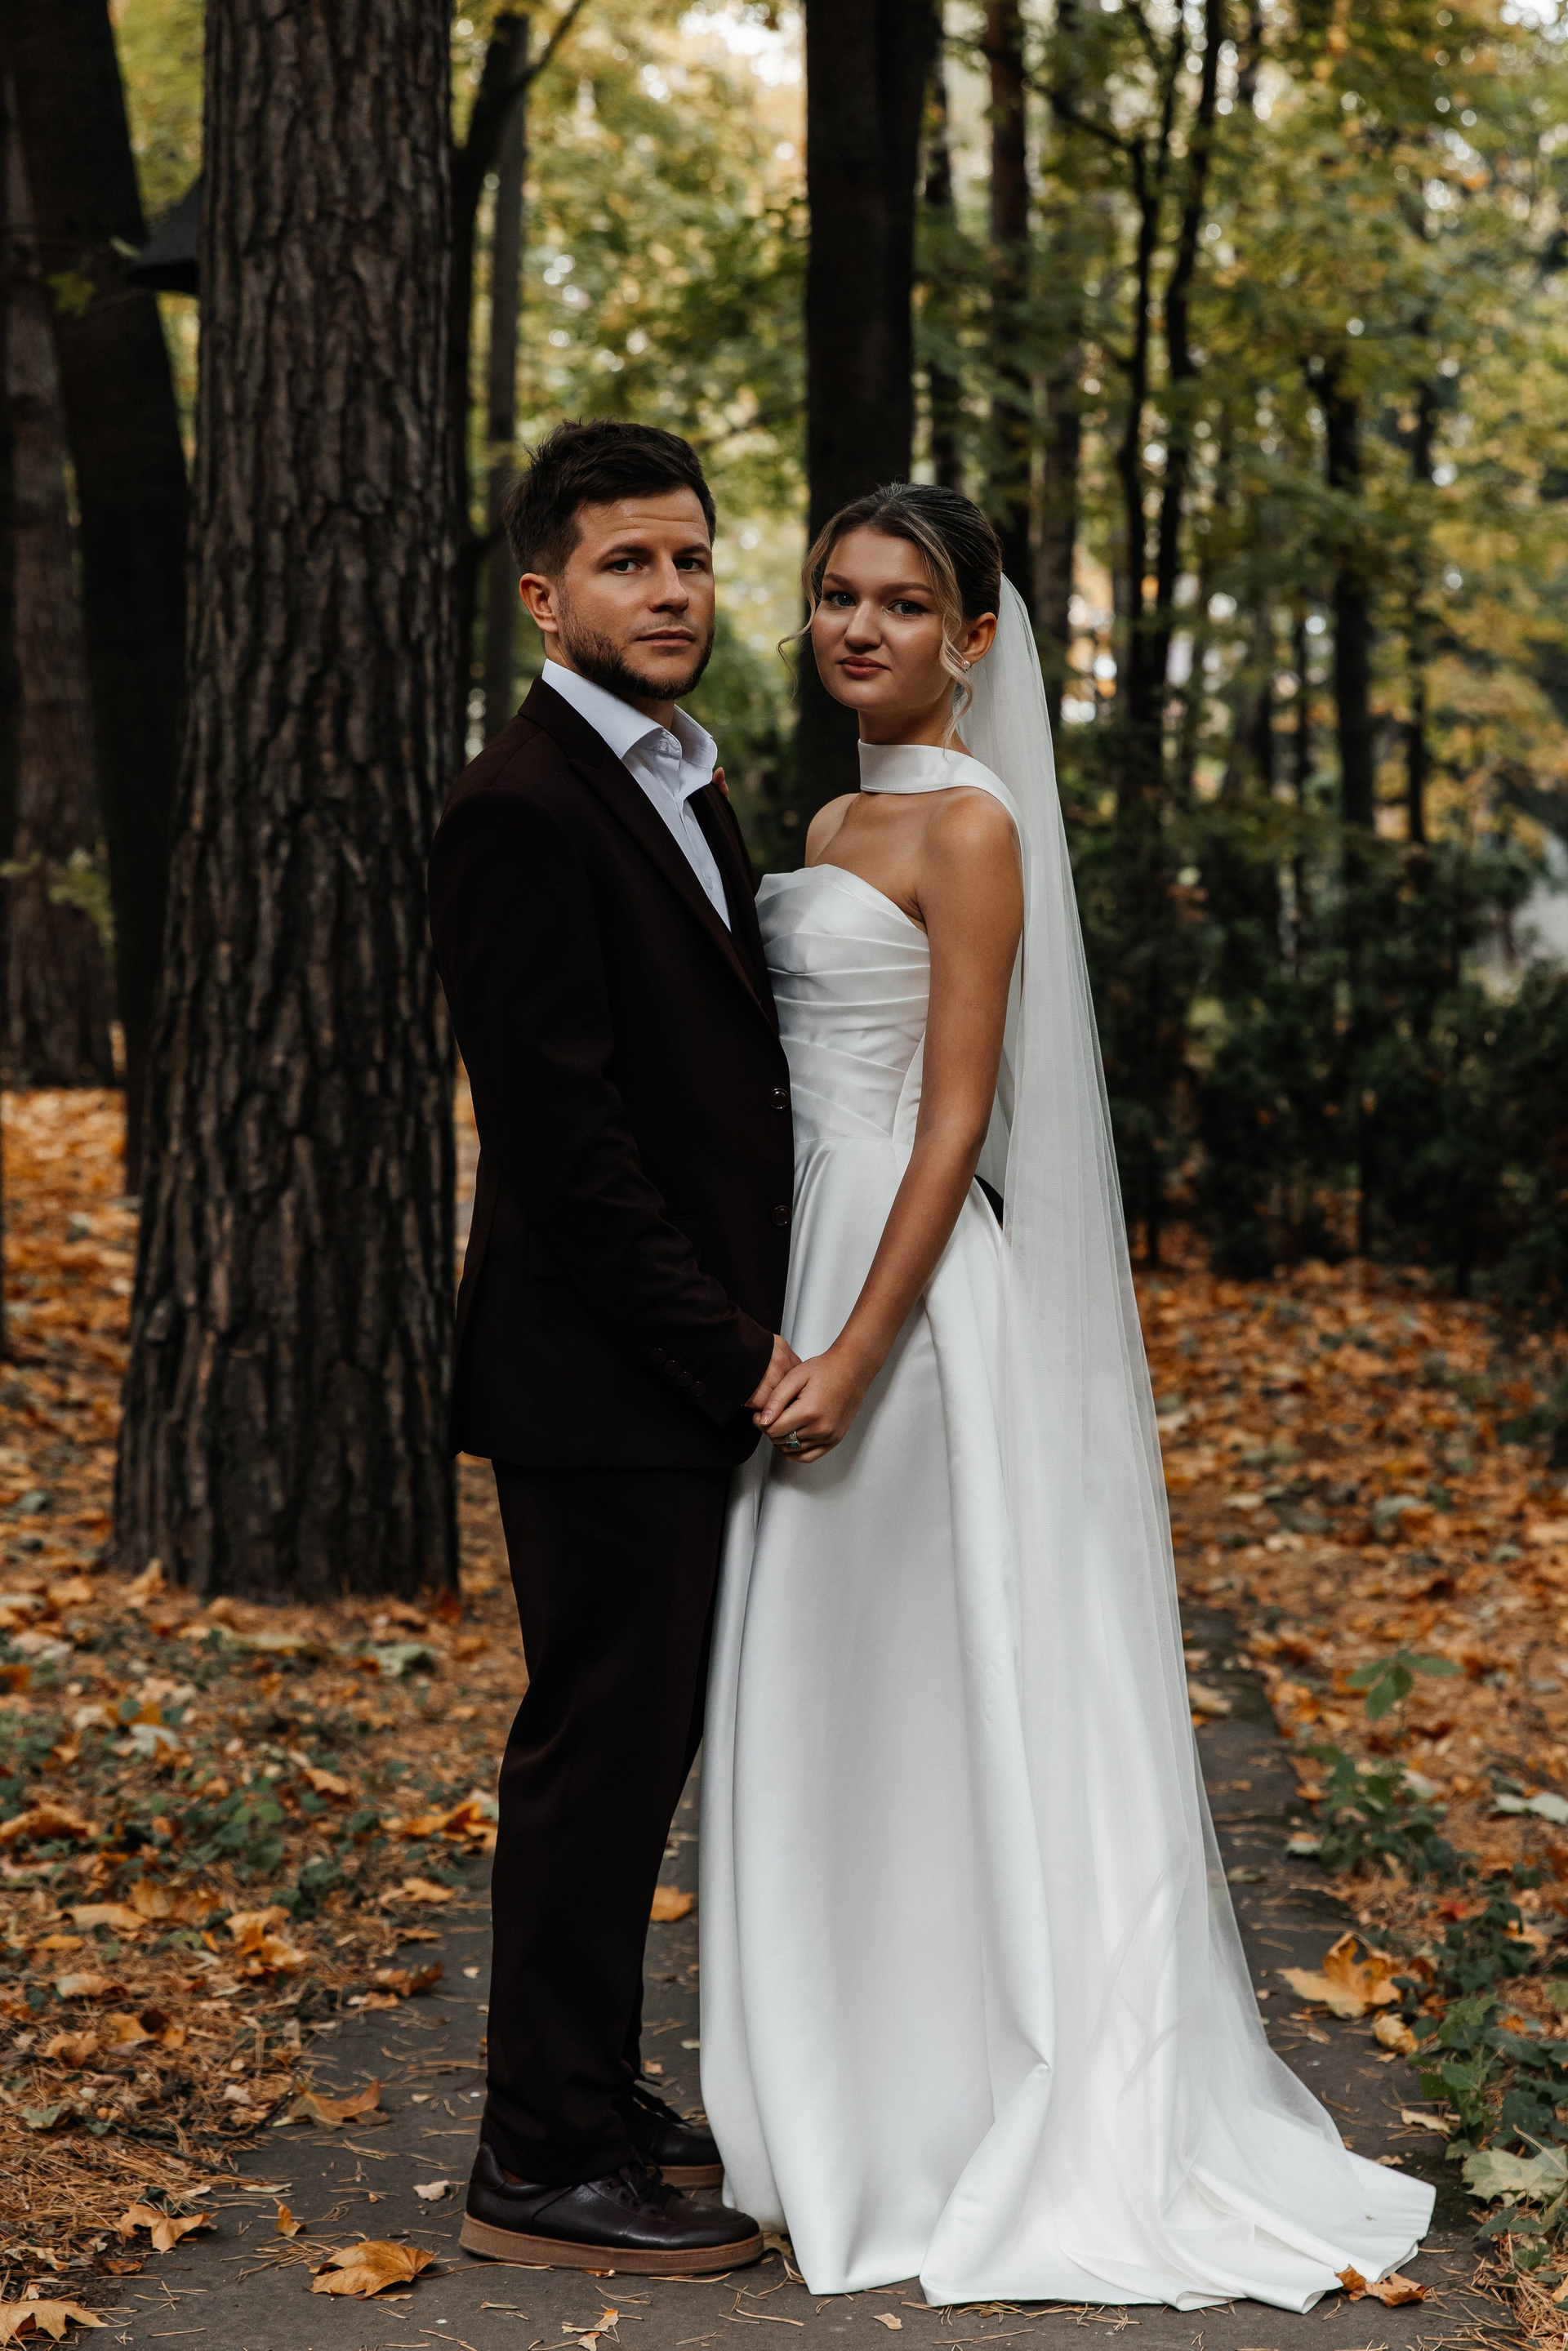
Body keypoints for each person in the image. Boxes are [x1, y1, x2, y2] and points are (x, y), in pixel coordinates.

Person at [697, 483, 1436, 2307]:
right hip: (805, 1240)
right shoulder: (830, 817)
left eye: (903, 604)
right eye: (837, 595)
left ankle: (955, 2102)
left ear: (974, 641)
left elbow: (957, 1118)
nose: (858, 628)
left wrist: (861, 1346)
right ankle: (831, 2085)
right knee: (829, 1677)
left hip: (906, 1290)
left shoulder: (974, 825)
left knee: (931, 1671)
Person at [428, 419, 795, 2276]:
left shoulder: (682, 776)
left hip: (674, 1366)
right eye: (629, 563)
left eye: (692, 559)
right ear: (544, 594)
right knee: (593, 1755)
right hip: (602, 1373)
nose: (670, 591)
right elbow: (566, 1152)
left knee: (643, 1752)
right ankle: (537, 2157)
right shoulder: (521, 804)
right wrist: (733, 1355)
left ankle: (594, 2089)